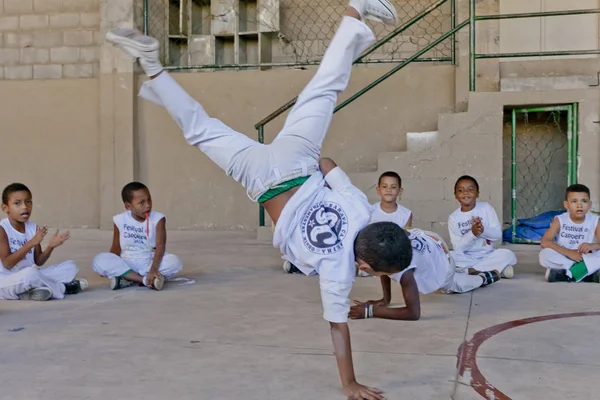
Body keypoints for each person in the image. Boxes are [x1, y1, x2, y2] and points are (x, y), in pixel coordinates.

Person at [106, 1, 399, 397]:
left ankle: (356, 9)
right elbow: (338, 327)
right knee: (200, 129)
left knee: (323, 89)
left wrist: (311, 167)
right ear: (364, 264)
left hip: (297, 158)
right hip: (262, 179)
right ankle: (153, 66)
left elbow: (327, 162)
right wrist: (348, 383)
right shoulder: (338, 271)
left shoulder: (361, 210)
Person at [349, 223, 501, 320]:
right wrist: (385, 300)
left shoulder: (406, 275)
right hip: (433, 242)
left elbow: (413, 313)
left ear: (364, 269)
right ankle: (467, 269)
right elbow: (384, 271)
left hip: (444, 266)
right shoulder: (386, 241)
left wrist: (371, 311)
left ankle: (483, 277)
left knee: (453, 286)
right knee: (385, 264)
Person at [0, 183, 87, 301]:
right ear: (5, 208)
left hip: (32, 275)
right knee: (30, 274)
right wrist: (31, 243)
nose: (24, 207)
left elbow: (38, 261)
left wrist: (51, 246)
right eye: (17, 203)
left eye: (28, 202)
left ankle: (30, 292)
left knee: (70, 266)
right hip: (7, 280)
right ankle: (63, 288)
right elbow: (7, 264)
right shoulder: (3, 229)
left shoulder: (32, 228)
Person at [93, 182, 183, 291]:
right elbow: (116, 247)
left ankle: (128, 278)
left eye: (149, 200)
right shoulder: (120, 220)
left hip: (150, 261)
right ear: (128, 206)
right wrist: (110, 265)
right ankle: (145, 280)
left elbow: (160, 245)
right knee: (99, 260)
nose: (148, 205)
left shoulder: (158, 219)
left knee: (175, 262)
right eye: (142, 202)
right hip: (128, 262)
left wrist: (153, 269)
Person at [448, 175, 517, 279]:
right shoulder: (453, 218)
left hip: (487, 255)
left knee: (508, 255)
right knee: (449, 256)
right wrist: (473, 234)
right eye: (461, 190)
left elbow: (497, 235)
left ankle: (470, 271)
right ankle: (495, 270)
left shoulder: (486, 208)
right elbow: (458, 248)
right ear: (455, 195)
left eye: (470, 190)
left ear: (477, 193)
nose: (466, 193)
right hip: (466, 257)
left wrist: (482, 230)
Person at [539, 183, 600, 283]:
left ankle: (567, 274)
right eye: (574, 201)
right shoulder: (560, 220)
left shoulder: (595, 221)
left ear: (589, 205)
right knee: (544, 254)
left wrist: (592, 246)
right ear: (566, 204)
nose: (579, 205)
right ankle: (587, 274)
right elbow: (545, 242)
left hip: (587, 258)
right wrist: (569, 252)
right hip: (565, 257)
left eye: (584, 201)